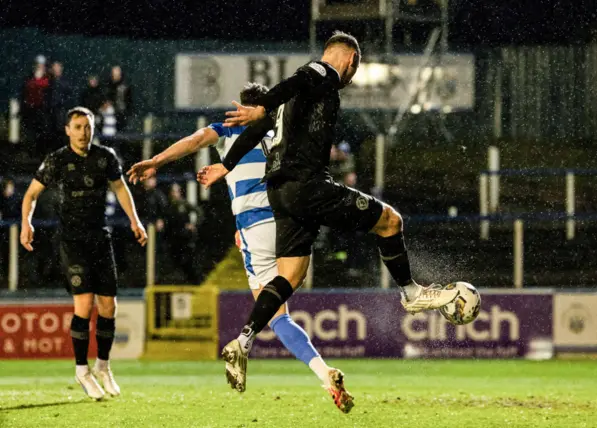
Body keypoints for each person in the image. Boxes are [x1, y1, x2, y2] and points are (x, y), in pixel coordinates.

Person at [197, 31, 460, 404]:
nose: (352, 75)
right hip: (309, 186)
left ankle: (243, 340)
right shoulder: (321, 74)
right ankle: (412, 293)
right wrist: (262, 105)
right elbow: (293, 83)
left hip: (281, 191)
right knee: (390, 221)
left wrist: (226, 164)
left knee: (290, 276)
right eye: (355, 67)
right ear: (350, 61)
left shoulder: (296, 97)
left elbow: (259, 127)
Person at [127, 83, 353, 413]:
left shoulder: (227, 131)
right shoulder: (282, 132)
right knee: (285, 293)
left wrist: (156, 161)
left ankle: (245, 342)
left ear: (240, 108)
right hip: (290, 221)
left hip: (256, 227)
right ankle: (324, 374)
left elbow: (194, 141)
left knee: (275, 316)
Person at [20, 107, 147, 401]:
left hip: (100, 238)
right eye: (77, 127)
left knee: (109, 307)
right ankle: (82, 370)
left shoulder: (105, 157)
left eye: (87, 127)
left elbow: (121, 188)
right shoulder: (57, 160)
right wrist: (26, 221)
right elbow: (30, 194)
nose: (83, 132)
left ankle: (103, 366)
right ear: (68, 130)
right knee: (84, 303)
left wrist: (135, 221)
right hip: (71, 241)